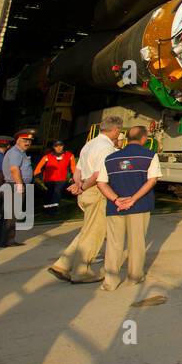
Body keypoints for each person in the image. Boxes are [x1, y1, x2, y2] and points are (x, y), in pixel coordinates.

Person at [49, 117, 121, 283]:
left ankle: (63, 263)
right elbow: (97, 175)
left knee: (87, 230)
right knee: (95, 233)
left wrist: (78, 185)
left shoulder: (90, 144)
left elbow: (78, 169)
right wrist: (83, 187)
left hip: (86, 190)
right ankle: (82, 271)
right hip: (96, 191)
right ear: (116, 130)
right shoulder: (106, 148)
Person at [96, 124, 159, 292]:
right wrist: (133, 199)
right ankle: (134, 277)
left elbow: (101, 183)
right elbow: (151, 181)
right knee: (137, 243)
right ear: (144, 139)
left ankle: (110, 281)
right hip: (139, 206)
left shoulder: (110, 158)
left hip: (115, 208)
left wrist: (116, 200)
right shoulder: (150, 156)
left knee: (114, 244)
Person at [0, 128, 35, 247]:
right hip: (15, 185)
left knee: (6, 214)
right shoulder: (16, 152)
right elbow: (14, 169)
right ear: (17, 141)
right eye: (24, 140)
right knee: (12, 214)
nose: (27, 143)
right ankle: (8, 240)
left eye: (29, 141)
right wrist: (20, 185)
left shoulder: (19, 152)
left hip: (13, 185)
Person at [34, 140, 75, 212]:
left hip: (61, 180)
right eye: (56, 146)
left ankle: (52, 210)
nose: (59, 148)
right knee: (49, 194)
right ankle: (47, 209)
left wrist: (73, 177)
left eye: (60, 146)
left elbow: (73, 167)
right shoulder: (47, 157)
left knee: (57, 193)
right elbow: (38, 168)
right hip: (48, 180)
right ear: (53, 147)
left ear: (63, 146)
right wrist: (37, 177)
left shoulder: (70, 155)